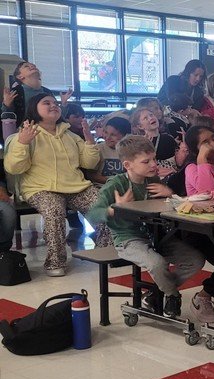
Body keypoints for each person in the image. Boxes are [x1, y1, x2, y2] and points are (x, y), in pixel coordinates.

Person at [87, 135, 208, 319]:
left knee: (196, 260)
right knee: (157, 264)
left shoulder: (153, 181)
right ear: (128, 165)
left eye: (154, 158)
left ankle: (156, 292)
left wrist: (170, 194)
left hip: (158, 237)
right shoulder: (116, 184)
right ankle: (172, 294)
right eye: (146, 161)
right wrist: (114, 209)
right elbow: (93, 214)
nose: (153, 164)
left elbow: (168, 206)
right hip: (128, 240)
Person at [4, 94, 110, 276]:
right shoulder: (25, 133)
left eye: (55, 103)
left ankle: (105, 251)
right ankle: (55, 262)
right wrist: (23, 143)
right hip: (40, 188)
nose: (53, 105)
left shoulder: (69, 135)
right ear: (34, 108)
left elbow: (89, 163)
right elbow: (14, 168)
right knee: (54, 211)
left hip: (76, 186)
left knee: (104, 206)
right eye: (47, 103)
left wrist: (89, 141)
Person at [1, 61, 73, 126]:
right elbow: (6, 119)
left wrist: (63, 104)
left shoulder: (47, 92)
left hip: (49, 133)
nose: (33, 66)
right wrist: (6, 105)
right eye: (26, 66)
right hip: (24, 134)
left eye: (34, 66)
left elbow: (57, 118)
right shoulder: (16, 92)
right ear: (20, 76)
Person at [130, 108, 180, 177]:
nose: (151, 118)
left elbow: (178, 163)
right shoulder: (137, 143)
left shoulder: (168, 138)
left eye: (151, 115)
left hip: (170, 178)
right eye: (145, 118)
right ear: (140, 126)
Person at [92, 117, 133, 183]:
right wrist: (113, 182)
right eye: (106, 132)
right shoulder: (97, 149)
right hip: (102, 187)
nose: (107, 137)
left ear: (125, 136)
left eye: (113, 135)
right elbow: (92, 175)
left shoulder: (131, 151)